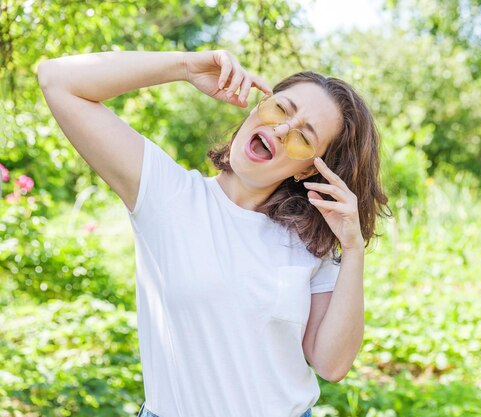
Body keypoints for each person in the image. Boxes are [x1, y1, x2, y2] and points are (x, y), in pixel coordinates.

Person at [38, 49, 391, 417]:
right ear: (257, 107)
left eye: (304, 136)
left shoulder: (307, 240)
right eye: (280, 109)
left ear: (306, 170)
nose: (281, 129)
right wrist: (185, 67)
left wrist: (353, 249)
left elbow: (332, 364)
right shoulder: (167, 194)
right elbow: (57, 79)